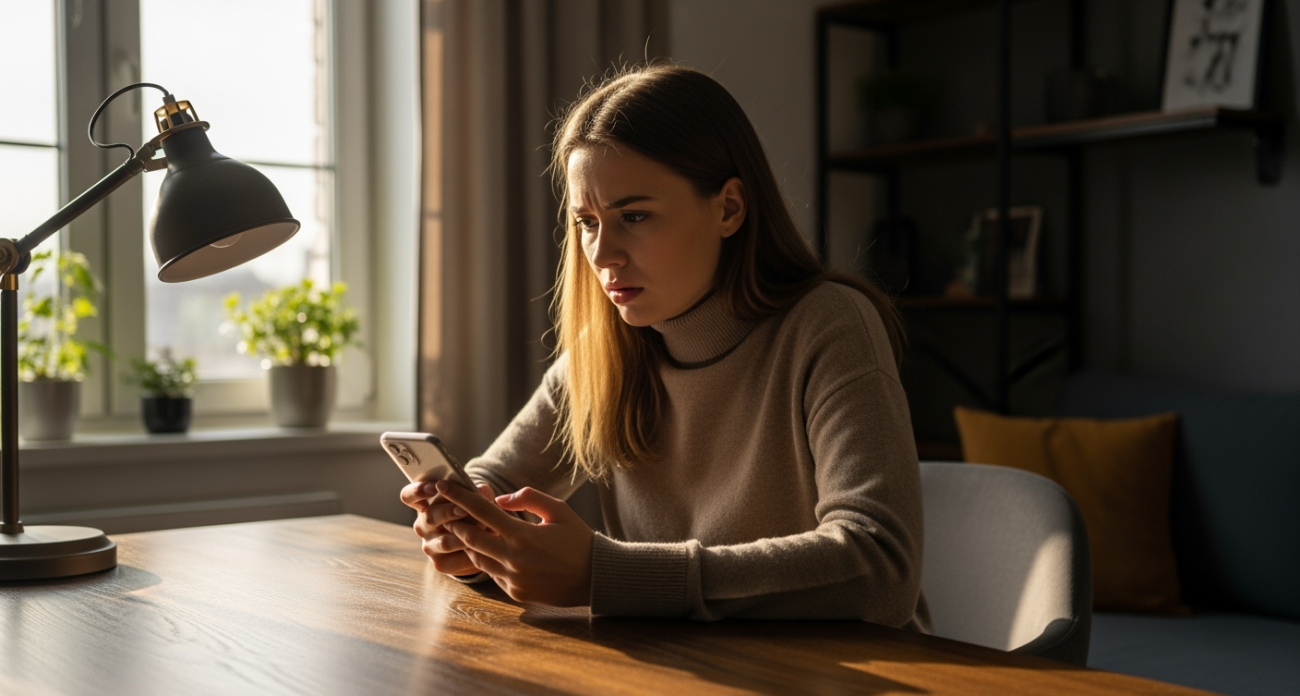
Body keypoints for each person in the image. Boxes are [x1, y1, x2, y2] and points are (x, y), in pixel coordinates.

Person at [401, 64, 929, 630]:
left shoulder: (829, 324)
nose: (602, 255)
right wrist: (469, 531)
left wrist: (606, 574)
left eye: (634, 216)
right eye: (586, 222)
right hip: (675, 672)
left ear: (728, 208)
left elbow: (880, 568)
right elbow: (496, 479)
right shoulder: (604, 348)